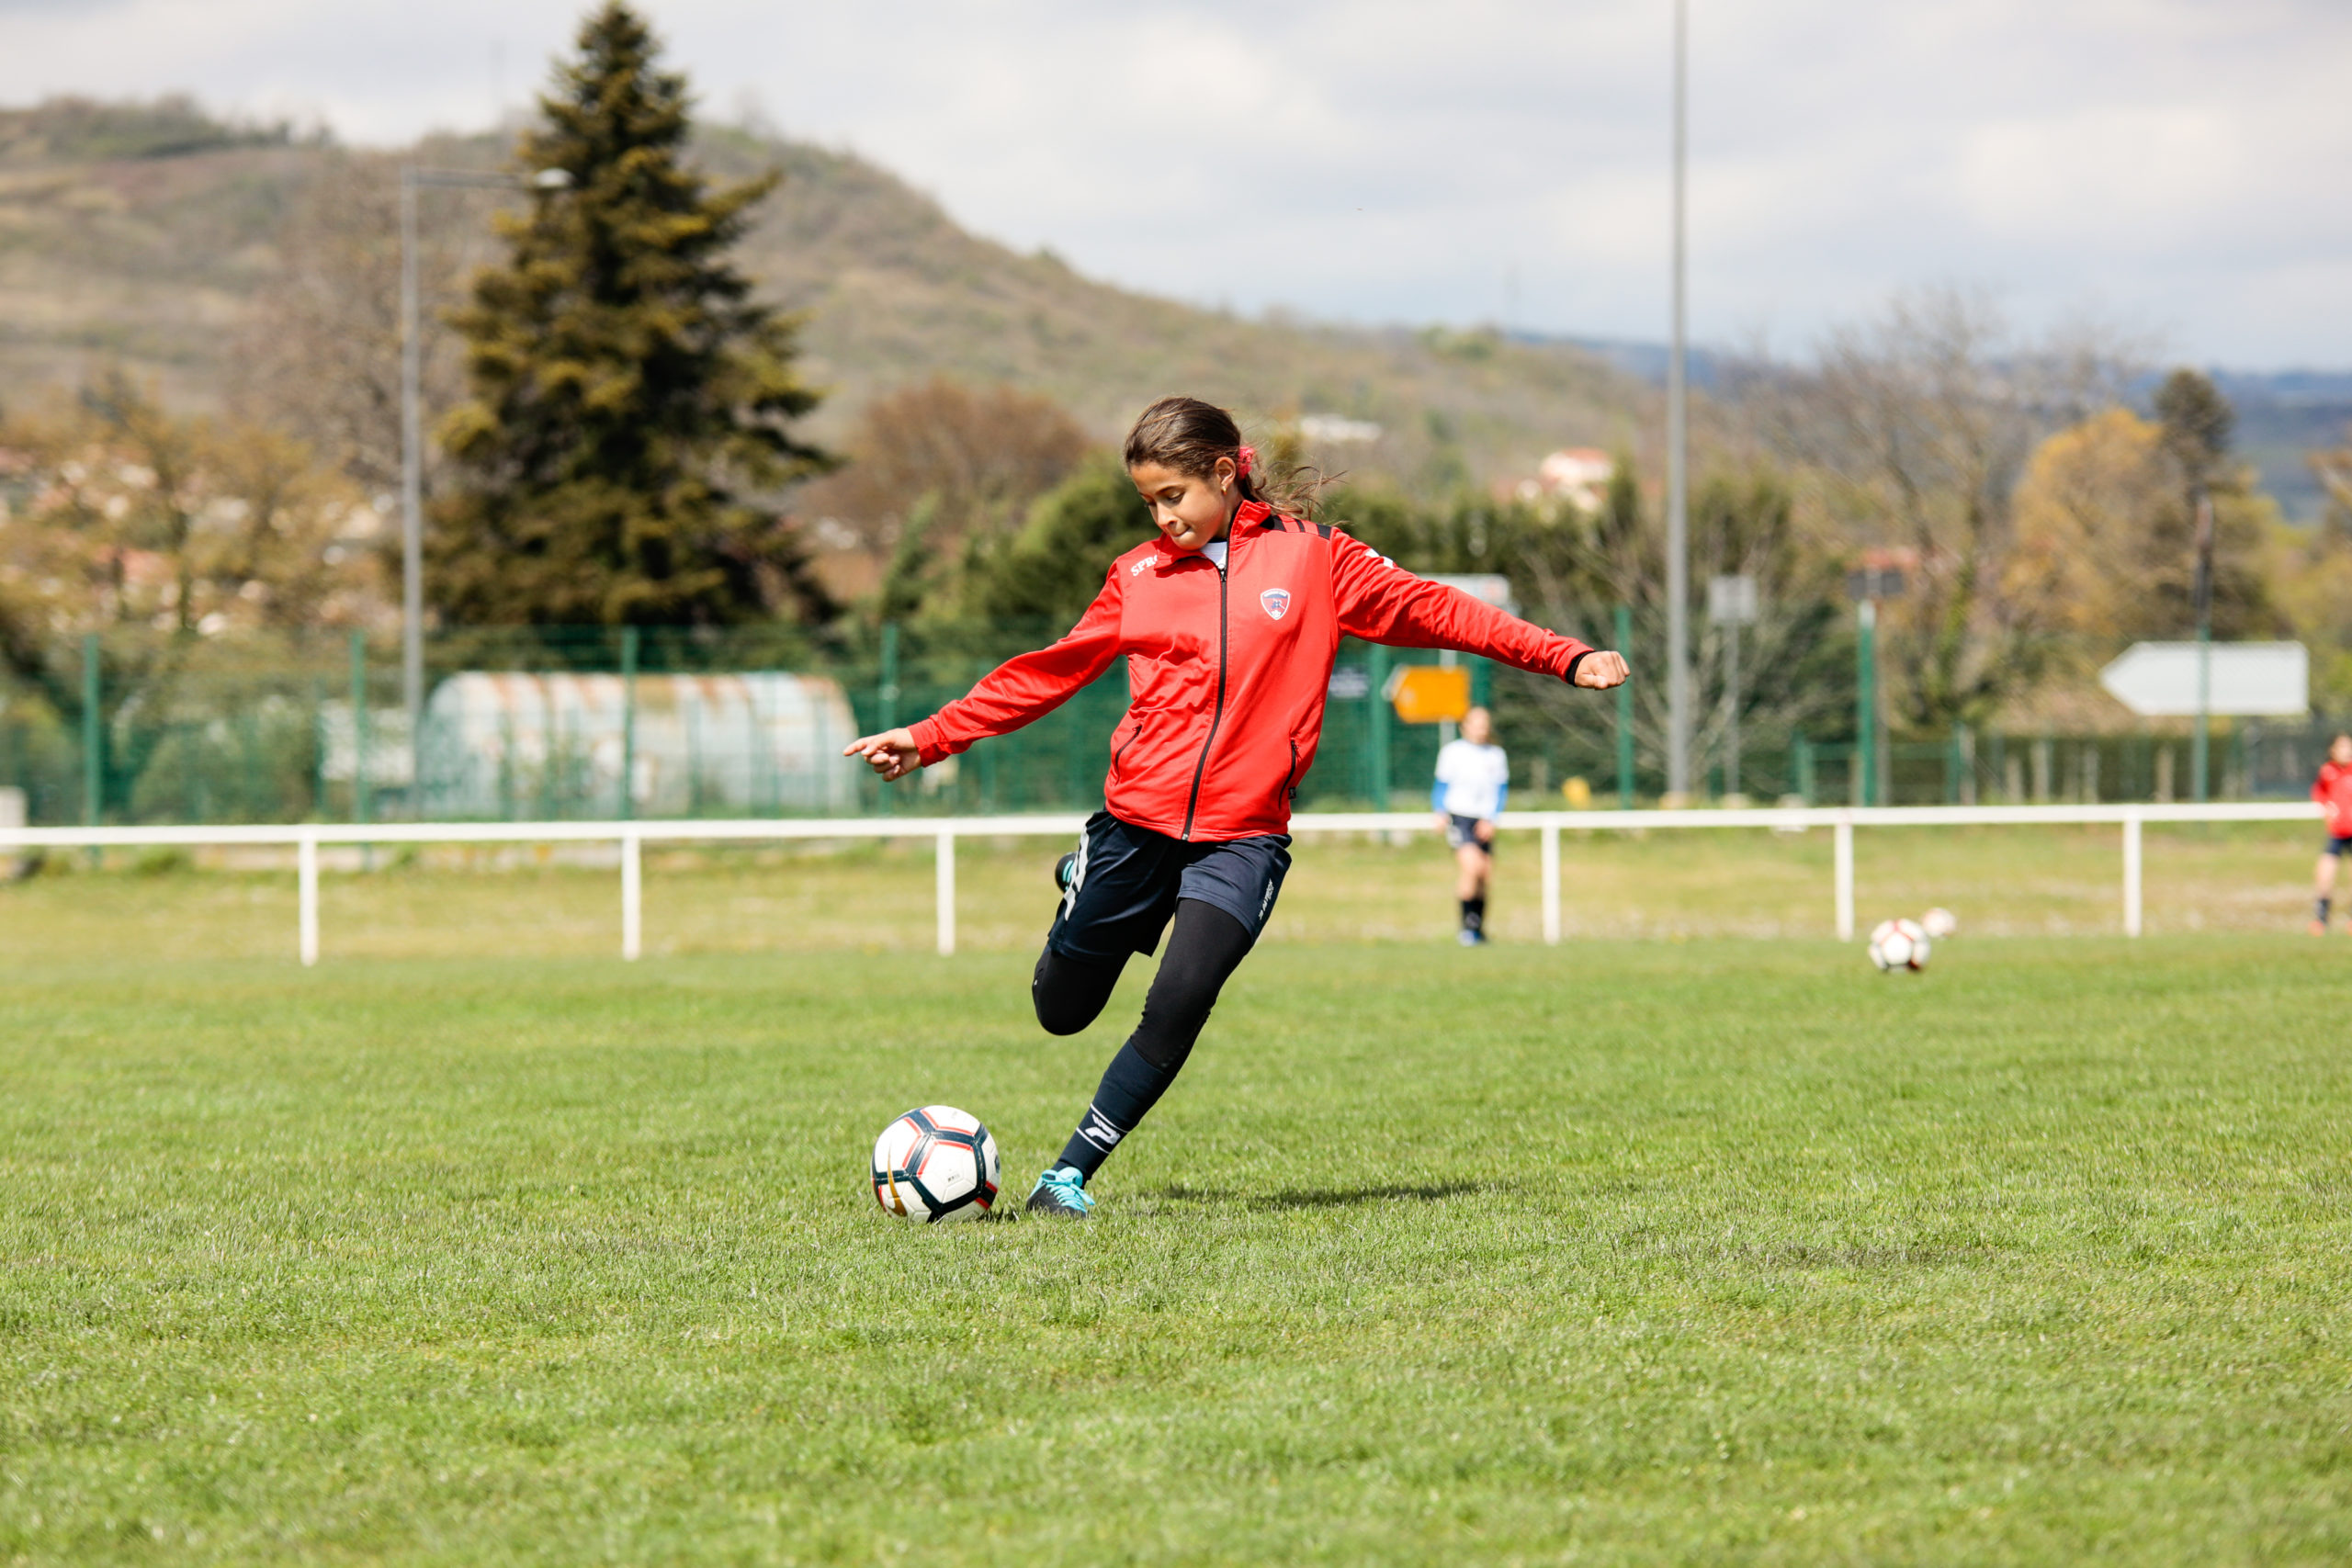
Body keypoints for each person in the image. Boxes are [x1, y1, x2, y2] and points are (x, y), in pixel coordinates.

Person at [844, 396, 1630, 1218]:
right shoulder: (1137, 577)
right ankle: (1082, 881)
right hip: (1136, 826)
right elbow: (1047, 672)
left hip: (1244, 837)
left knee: (1183, 996)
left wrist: (1563, 655)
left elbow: (1440, 610)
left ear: (1225, 473)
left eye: (1173, 496)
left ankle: (1067, 1174)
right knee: (1061, 1012)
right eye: (1147, 501)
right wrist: (931, 736)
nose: (1161, 516)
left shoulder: (1316, 561)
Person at [1432, 705, 1508, 945]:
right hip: (1460, 816)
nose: (1482, 728)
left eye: (1485, 723)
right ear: (1464, 726)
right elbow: (1441, 785)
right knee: (1472, 868)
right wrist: (1439, 812)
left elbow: (1500, 789)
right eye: (1477, 723)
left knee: (1484, 874)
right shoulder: (1452, 752)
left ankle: (1478, 928)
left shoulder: (1496, 754)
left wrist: (1492, 818)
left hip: (1483, 819)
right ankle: (1466, 928)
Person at [2311, 732, 2352, 934]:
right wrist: (2327, 809)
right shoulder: (2327, 772)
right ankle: (2321, 919)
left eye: (2349, 746)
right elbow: (2319, 794)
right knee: (2324, 874)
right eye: (2342, 747)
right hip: (2337, 833)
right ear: (2333, 750)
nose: (2347, 751)